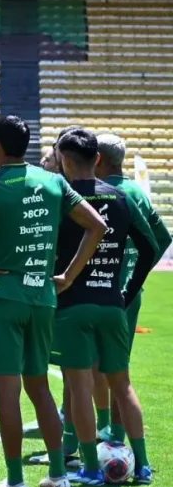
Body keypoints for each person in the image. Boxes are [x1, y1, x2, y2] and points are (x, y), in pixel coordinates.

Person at [0, 116, 106, 487]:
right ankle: (58, 476)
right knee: (39, 387)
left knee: (8, 393)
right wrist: (68, 276)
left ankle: (15, 483)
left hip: (5, 297)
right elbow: (97, 226)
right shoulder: (54, 181)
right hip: (43, 296)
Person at [49, 128, 157, 486]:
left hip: (72, 305)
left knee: (79, 387)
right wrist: (127, 291)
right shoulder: (120, 197)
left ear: (65, 161)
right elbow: (150, 247)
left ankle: (91, 468)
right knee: (122, 385)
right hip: (112, 303)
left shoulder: (61, 199)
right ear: (97, 159)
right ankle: (142, 467)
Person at [94, 133, 172, 448]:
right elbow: (162, 238)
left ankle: (96, 438)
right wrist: (136, 275)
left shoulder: (99, 192)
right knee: (115, 367)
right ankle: (112, 434)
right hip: (128, 293)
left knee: (86, 368)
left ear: (97, 159)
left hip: (97, 289)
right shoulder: (136, 192)